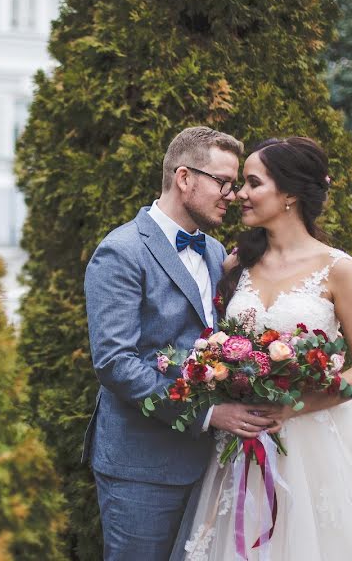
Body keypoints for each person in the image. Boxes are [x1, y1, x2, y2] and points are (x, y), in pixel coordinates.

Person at [171, 137, 352, 560]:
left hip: (319, 443)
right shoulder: (234, 266)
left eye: (252, 183)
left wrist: (295, 405)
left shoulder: (337, 268)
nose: (239, 194)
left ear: (289, 195)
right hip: (245, 443)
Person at [83, 127, 281, 560]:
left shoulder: (213, 251)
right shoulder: (120, 251)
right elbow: (116, 363)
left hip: (210, 466)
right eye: (223, 182)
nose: (232, 195)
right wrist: (210, 413)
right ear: (185, 178)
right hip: (142, 465)